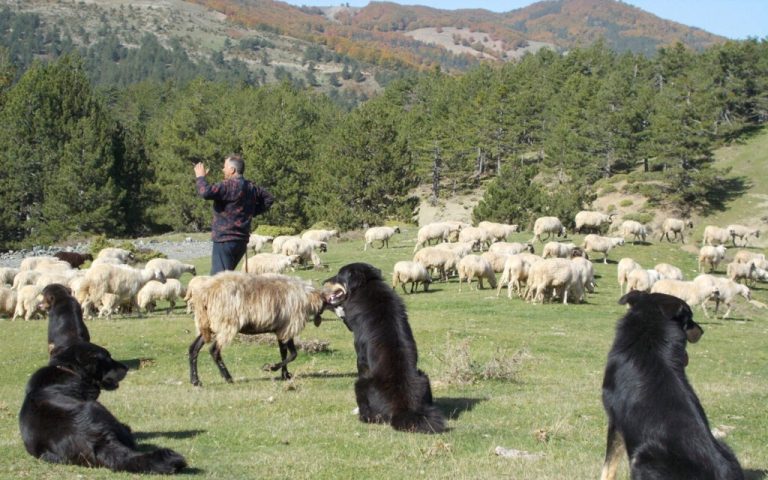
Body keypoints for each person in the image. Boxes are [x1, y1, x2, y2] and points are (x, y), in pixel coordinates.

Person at [194, 154, 274, 275]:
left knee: (218, 281)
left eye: (224, 167)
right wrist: (251, 212)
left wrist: (200, 177)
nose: (223, 169)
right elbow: (269, 198)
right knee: (227, 278)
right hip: (241, 241)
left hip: (225, 240)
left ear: (232, 170)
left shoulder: (227, 185)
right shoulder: (251, 186)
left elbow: (205, 192)